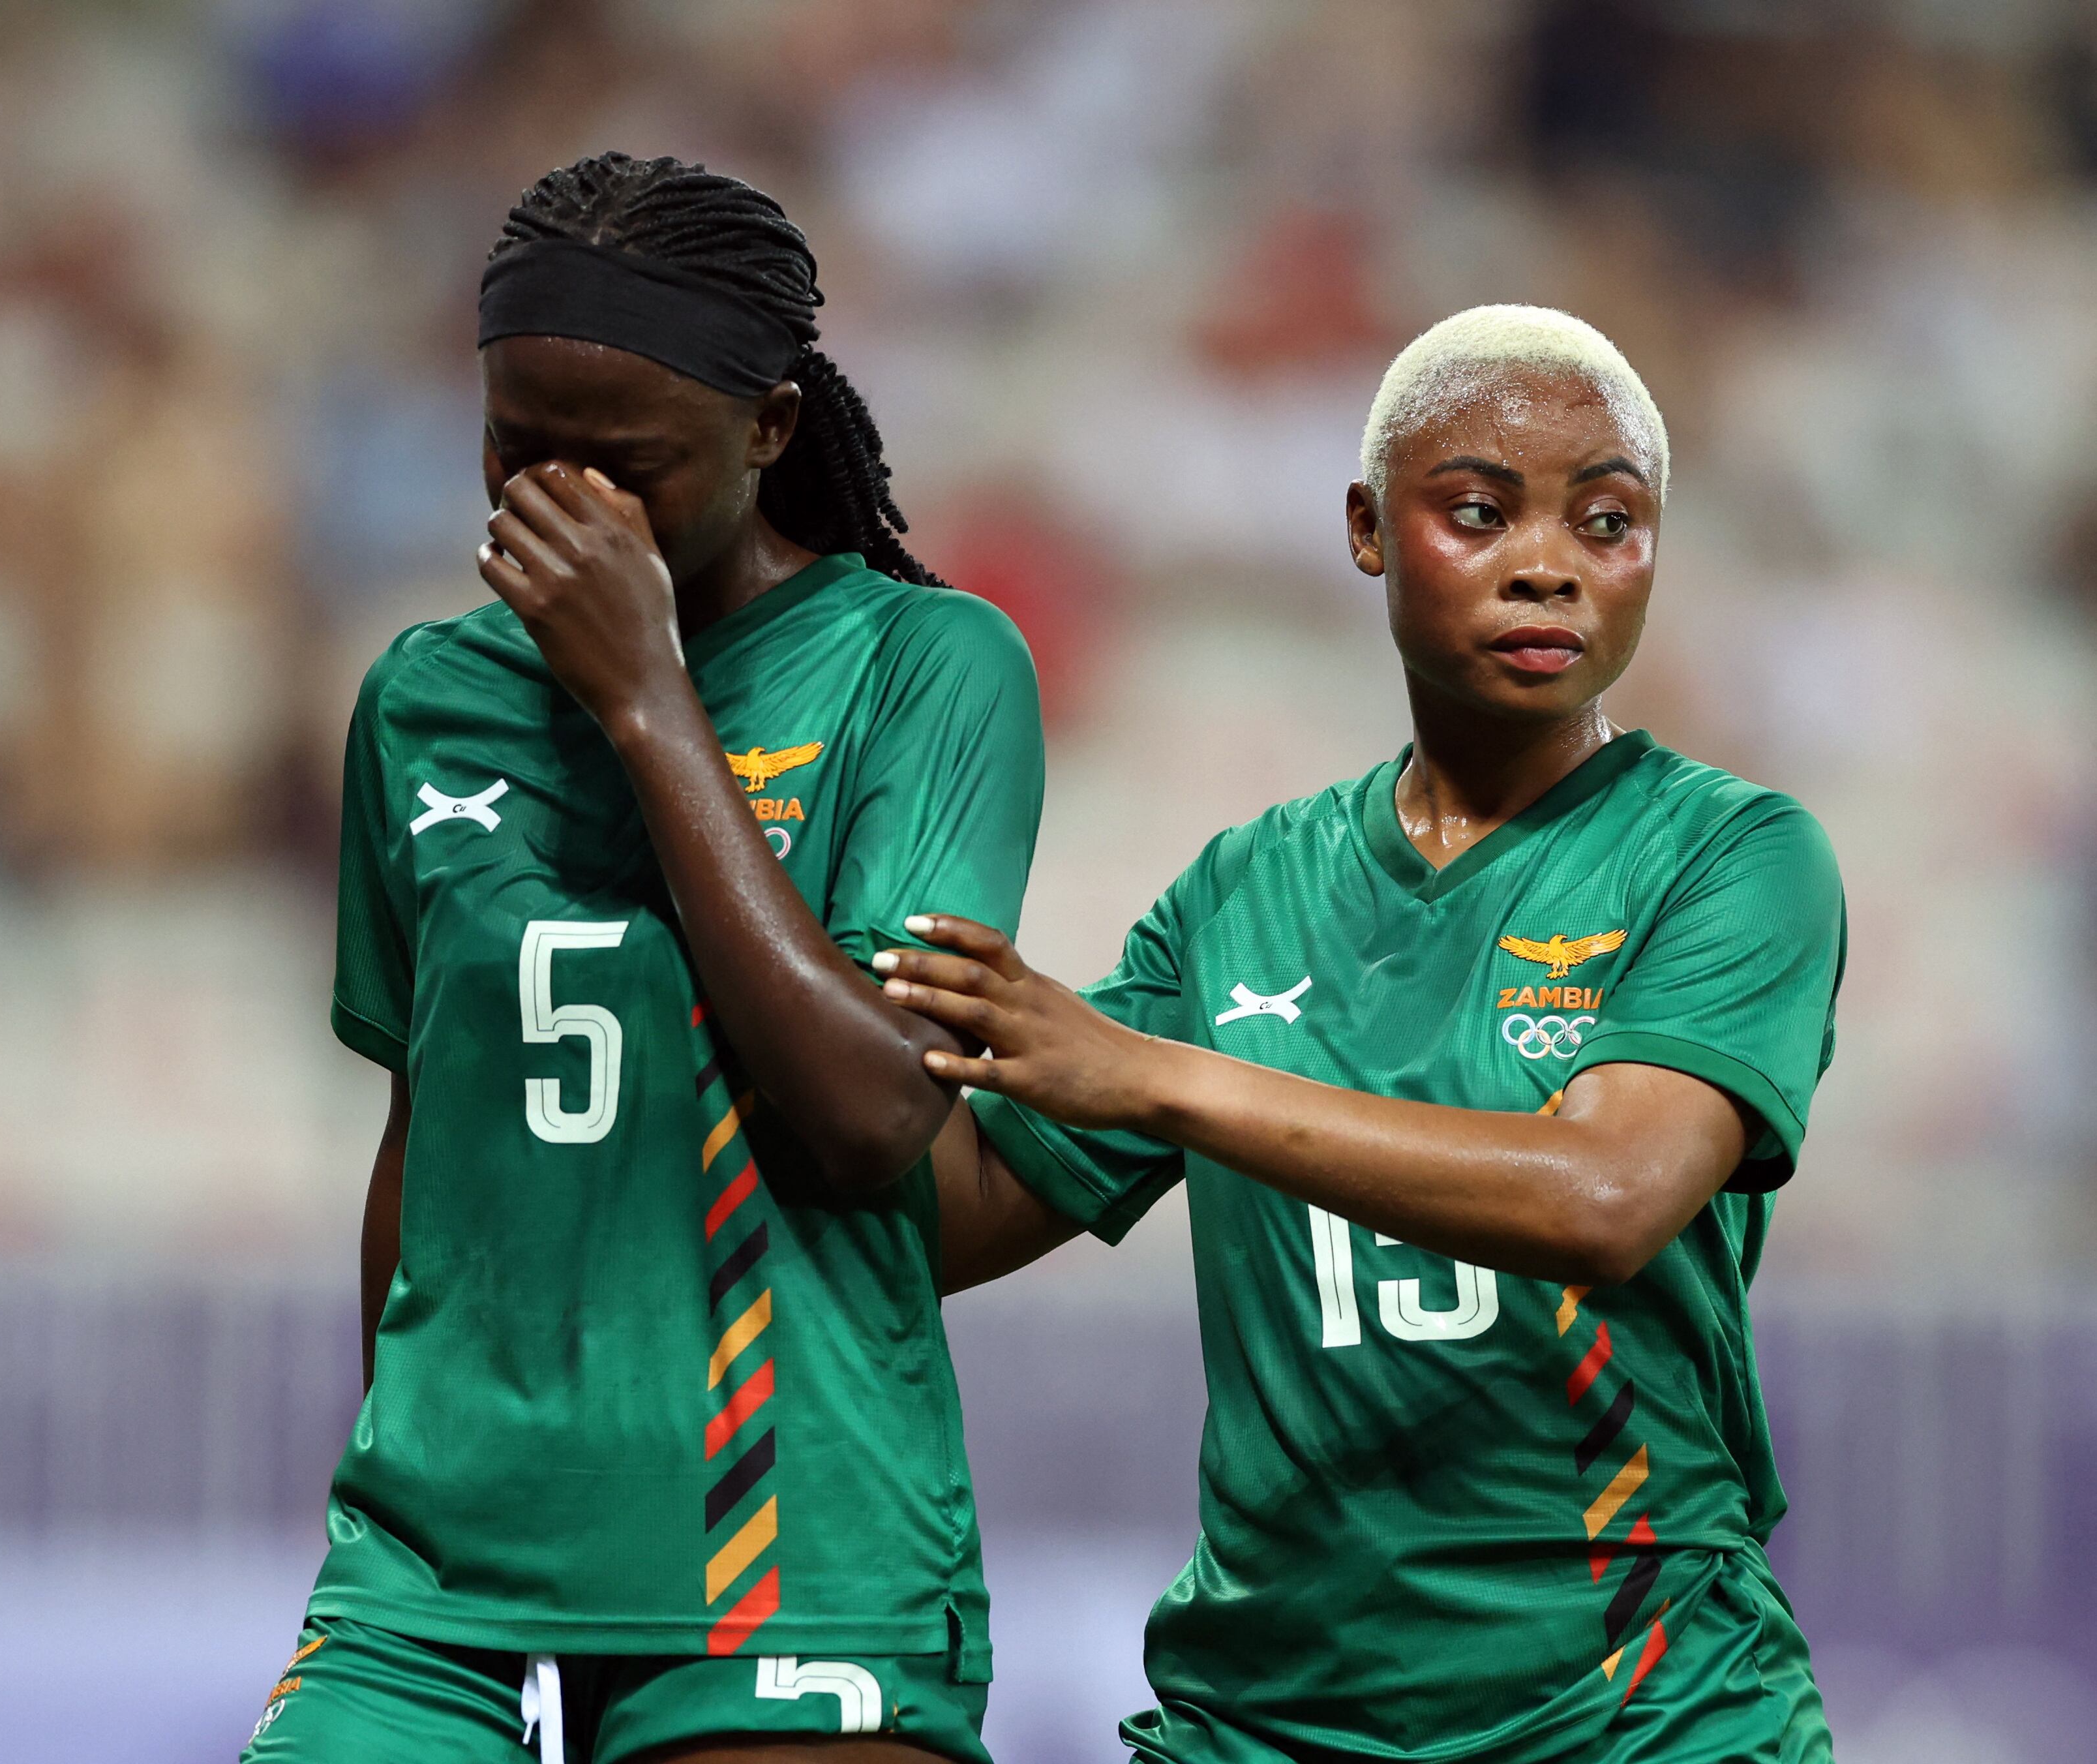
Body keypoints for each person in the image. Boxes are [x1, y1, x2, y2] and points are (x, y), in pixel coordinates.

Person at [884, 307, 1847, 1764]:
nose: (1546, 562)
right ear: (1364, 527)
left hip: (1635, 1711)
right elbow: (945, 1227)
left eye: (1607, 520)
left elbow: (1605, 1195)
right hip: (1264, 1717)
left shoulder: (1732, 853)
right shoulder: (1237, 893)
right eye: (1477, 509)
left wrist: (1157, 1075)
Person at [248, 153, 1045, 1764]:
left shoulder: (925, 665)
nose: (562, 509)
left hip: (785, 1540)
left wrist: (646, 703)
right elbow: (431, 1132)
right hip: (442, 1566)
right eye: (514, 449)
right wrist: (400, 1468)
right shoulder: (421, 700)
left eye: (626, 465)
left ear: (764, 430)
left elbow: (875, 1112)